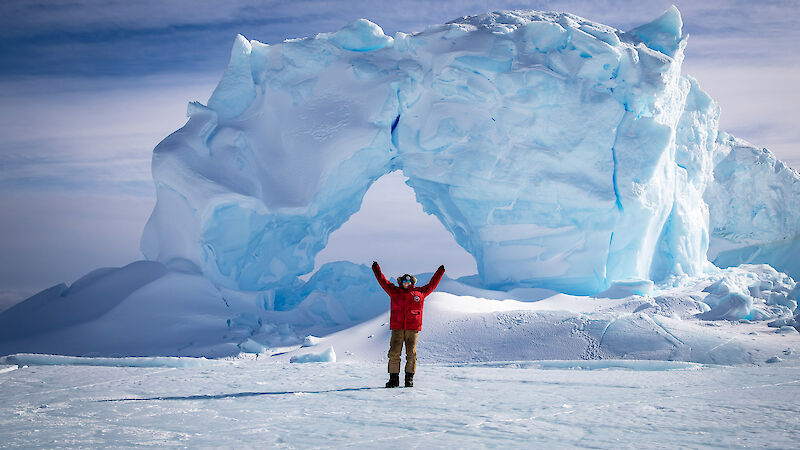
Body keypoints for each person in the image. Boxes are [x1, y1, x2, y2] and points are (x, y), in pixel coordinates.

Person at [371, 261, 445, 388]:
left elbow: (433, 285)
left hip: (412, 329)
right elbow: (383, 282)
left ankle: (409, 379)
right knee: (394, 353)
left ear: (412, 282)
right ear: (401, 282)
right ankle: (393, 380)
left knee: (411, 353)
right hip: (397, 328)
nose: (406, 283)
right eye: (404, 281)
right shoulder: (394, 291)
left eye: (409, 281)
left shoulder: (420, 292)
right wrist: (376, 269)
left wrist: (440, 272)